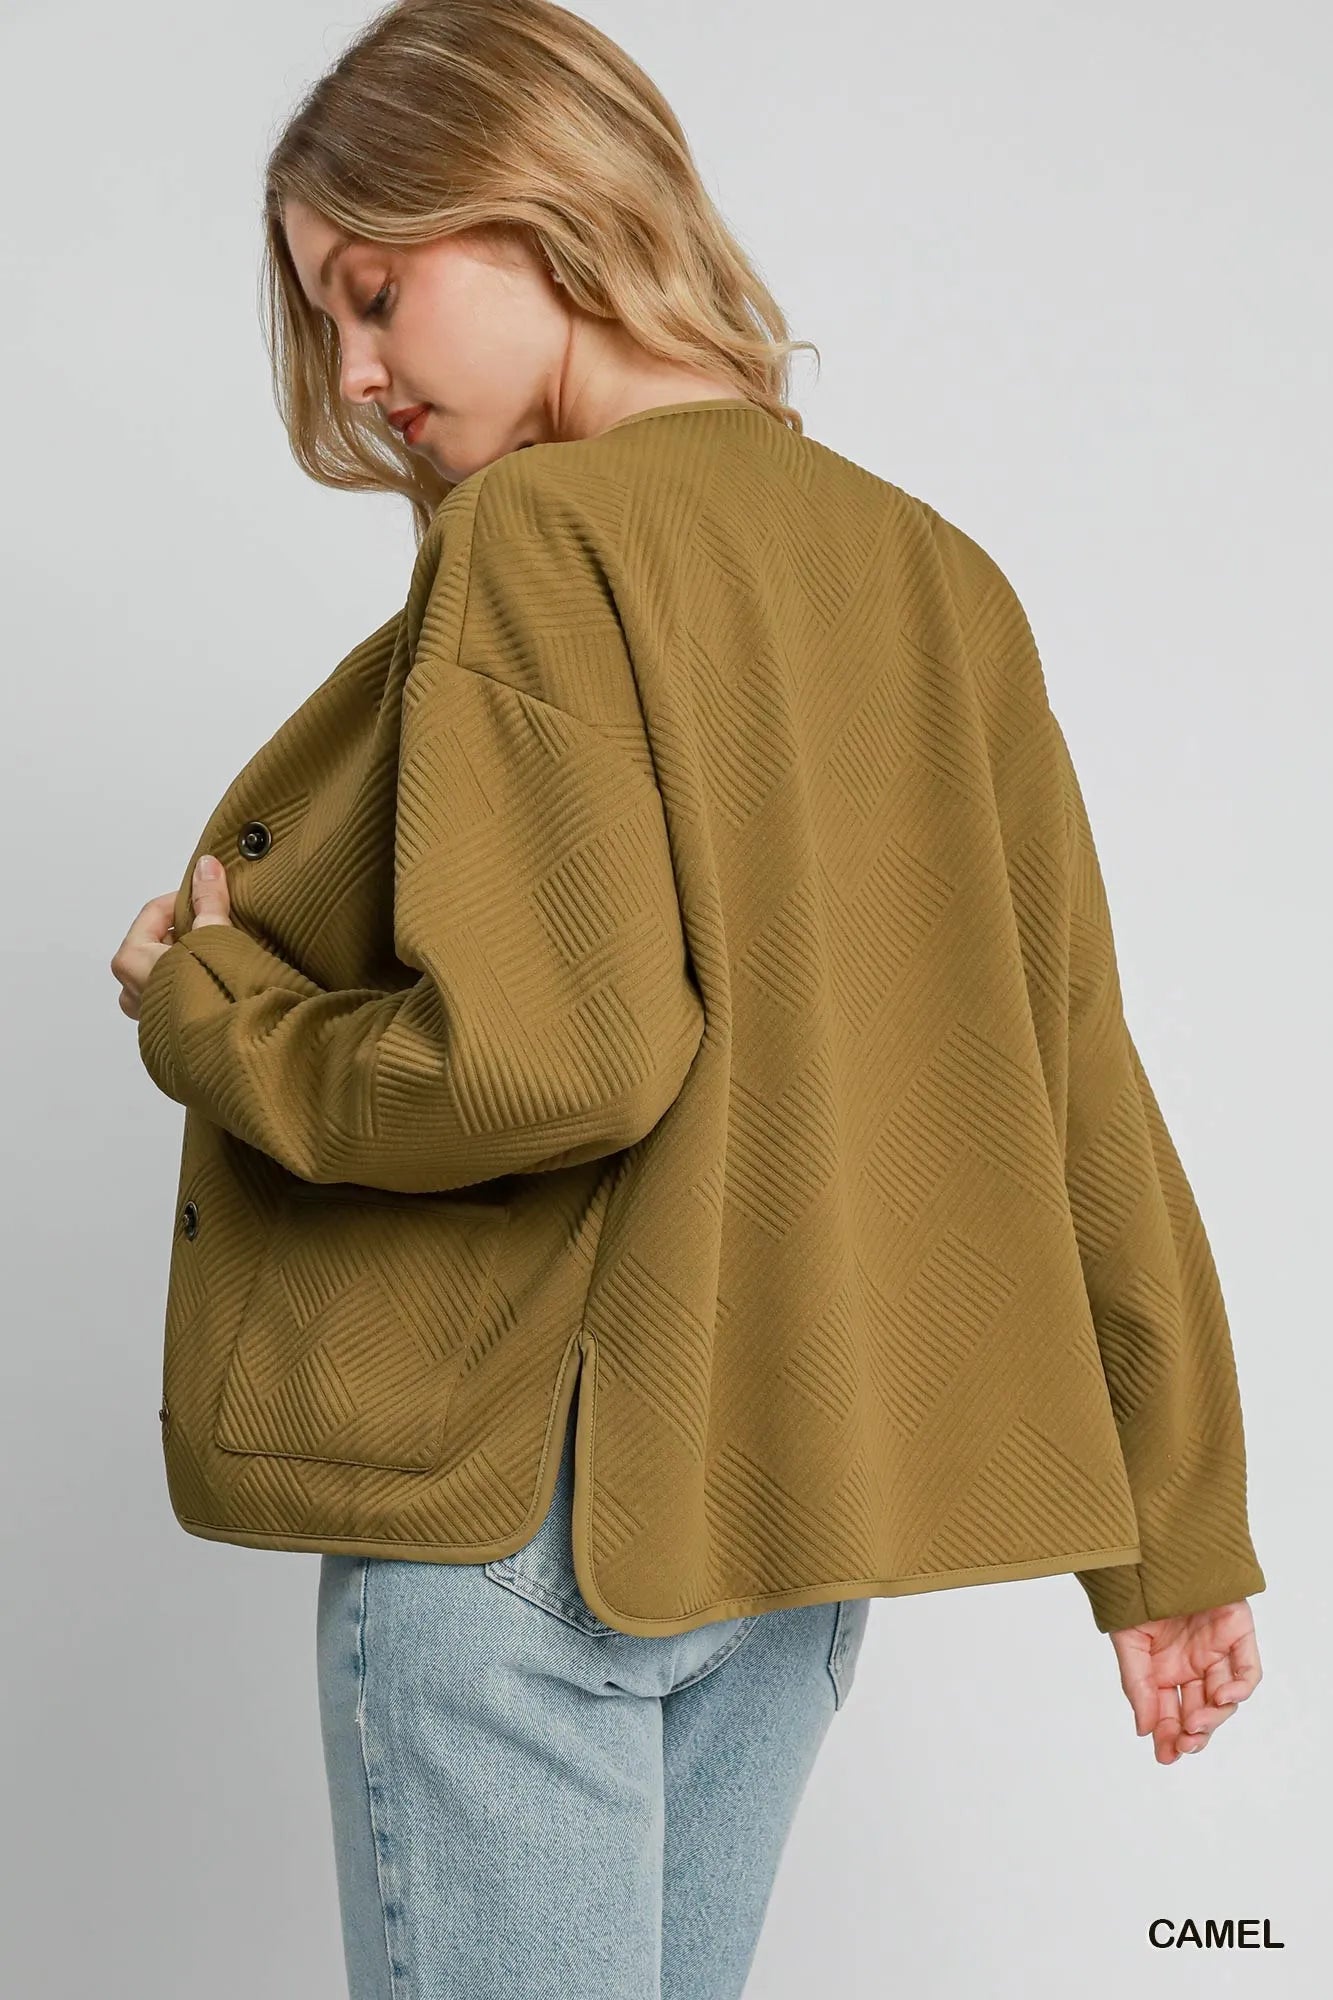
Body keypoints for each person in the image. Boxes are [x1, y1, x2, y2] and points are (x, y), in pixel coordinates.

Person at [109, 3, 1266, 1994]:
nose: (356, 374)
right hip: (787, 1541)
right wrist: (1169, 1542)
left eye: (373, 291)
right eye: (323, 323)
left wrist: (210, 1016)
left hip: (528, 1514)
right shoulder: (938, 576)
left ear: (540, 207)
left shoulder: (540, 537)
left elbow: (544, 1061)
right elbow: (1071, 1073)